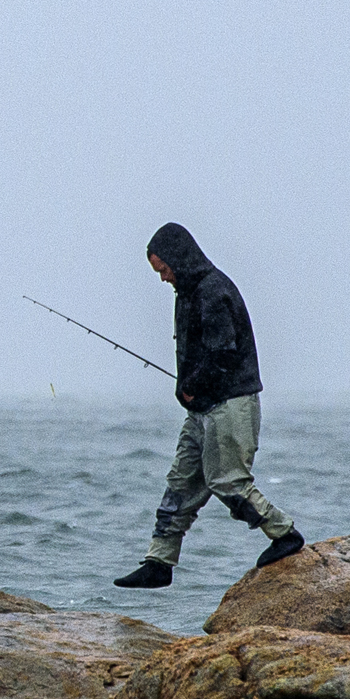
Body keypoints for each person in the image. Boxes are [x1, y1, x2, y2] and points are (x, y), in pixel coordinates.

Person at [114, 222, 304, 587]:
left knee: (227, 482)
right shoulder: (187, 292)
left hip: (230, 406)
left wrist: (191, 386)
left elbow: (223, 355)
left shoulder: (214, 292)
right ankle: (159, 562)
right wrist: (189, 392)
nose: (163, 278)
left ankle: (284, 534)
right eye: (159, 272)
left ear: (178, 261)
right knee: (181, 483)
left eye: (164, 269)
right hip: (202, 409)